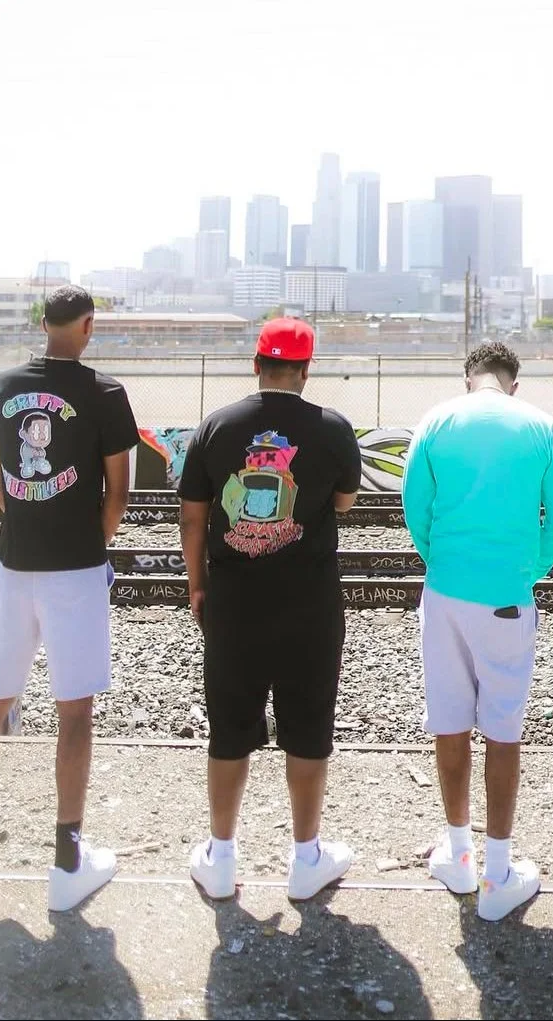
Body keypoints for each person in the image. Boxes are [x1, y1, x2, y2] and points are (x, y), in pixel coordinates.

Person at [0, 285, 139, 911]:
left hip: (14, 564)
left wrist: (33, 525)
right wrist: (89, 543)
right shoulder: (105, 392)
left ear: (41, 322)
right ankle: (66, 863)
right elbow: (118, 493)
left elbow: (0, 488)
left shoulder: (1, 387)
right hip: (75, 570)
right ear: (87, 326)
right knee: (74, 713)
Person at [178, 316, 362, 903]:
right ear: (306, 370)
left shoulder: (215, 426)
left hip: (234, 603)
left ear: (256, 364)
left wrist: (197, 584)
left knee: (229, 728)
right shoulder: (333, 429)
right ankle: (306, 859)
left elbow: (193, 517)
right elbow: (345, 503)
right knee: (308, 728)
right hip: (310, 605)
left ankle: (221, 856)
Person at [402, 341, 553, 921]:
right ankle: (498, 874)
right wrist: (529, 570)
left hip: (444, 593)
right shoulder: (541, 427)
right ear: (513, 383)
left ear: (468, 378)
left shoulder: (435, 421)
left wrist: (440, 562)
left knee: (448, 723)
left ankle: (458, 855)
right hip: (506, 597)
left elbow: (414, 508)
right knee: (503, 730)